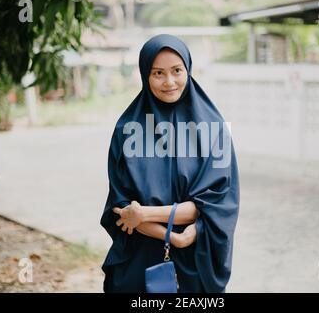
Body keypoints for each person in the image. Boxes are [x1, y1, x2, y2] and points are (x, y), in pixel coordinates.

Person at [100, 34, 240, 293]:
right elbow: (122, 211)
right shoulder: (126, 129)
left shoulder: (214, 129)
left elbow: (215, 204)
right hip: (139, 260)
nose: (169, 82)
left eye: (177, 71)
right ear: (145, 75)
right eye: (158, 73)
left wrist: (144, 214)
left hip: (195, 260)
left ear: (188, 69)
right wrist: (172, 236)